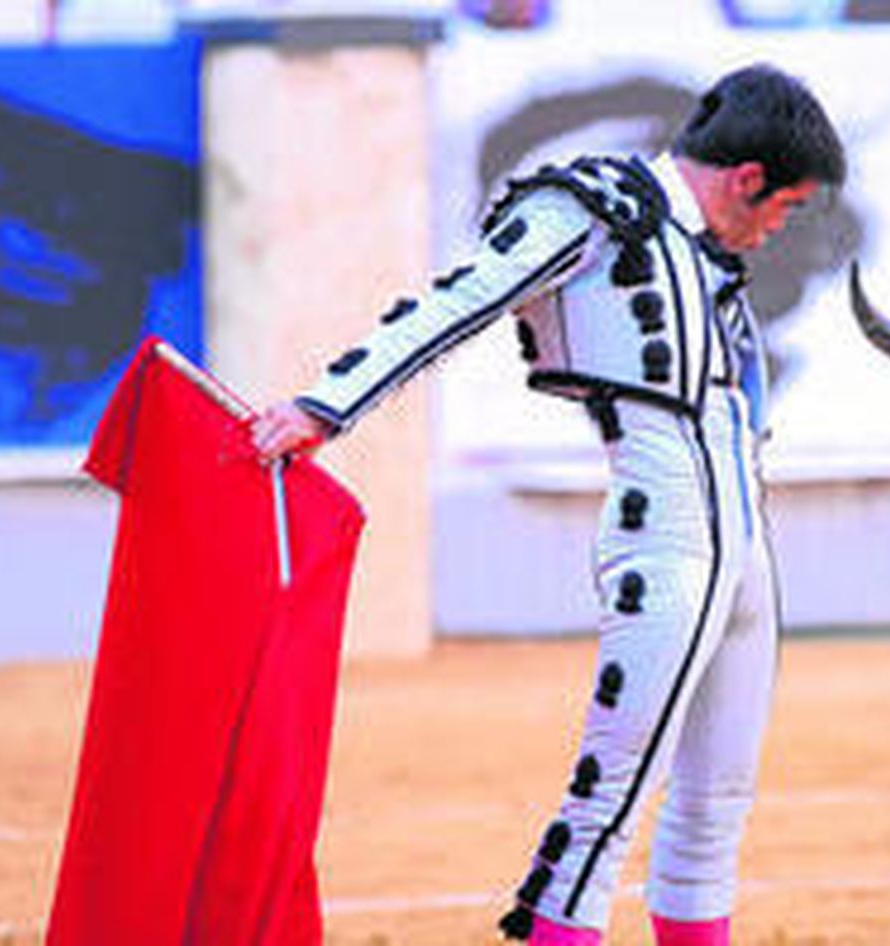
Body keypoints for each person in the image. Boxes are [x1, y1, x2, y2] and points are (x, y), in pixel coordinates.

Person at [251, 63, 846, 946]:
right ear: (748, 179)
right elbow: (458, 302)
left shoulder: (697, 252)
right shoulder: (592, 207)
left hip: (742, 540)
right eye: (783, 209)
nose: (773, 234)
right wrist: (324, 407)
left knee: (716, 801)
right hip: (669, 532)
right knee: (608, 802)